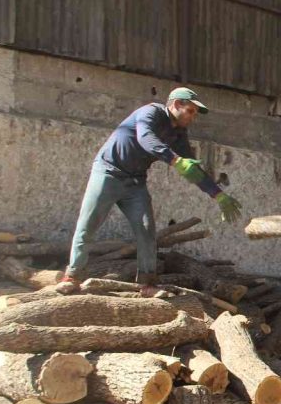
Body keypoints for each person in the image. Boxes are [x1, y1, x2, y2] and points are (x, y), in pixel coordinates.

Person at [56, 87, 242, 297]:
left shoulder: (178, 134)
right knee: (87, 225)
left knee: (146, 230)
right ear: (175, 104)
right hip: (108, 173)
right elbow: (146, 138)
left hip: (135, 182)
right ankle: (71, 277)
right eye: (191, 111)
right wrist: (175, 160)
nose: (193, 117)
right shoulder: (150, 112)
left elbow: (192, 169)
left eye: (195, 113)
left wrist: (217, 194)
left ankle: (147, 284)